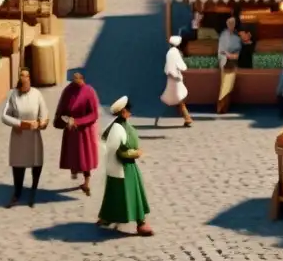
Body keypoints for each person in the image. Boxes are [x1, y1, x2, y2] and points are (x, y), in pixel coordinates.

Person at [98, 97, 152, 236]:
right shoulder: (118, 128)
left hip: (117, 166)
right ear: (123, 112)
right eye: (128, 111)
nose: (130, 113)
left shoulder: (116, 126)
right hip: (124, 166)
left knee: (114, 192)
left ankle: (107, 217)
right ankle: (141, 222)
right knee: (131, 192)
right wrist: (135, 153)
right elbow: (120, 151)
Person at [1, 68, 49, 207]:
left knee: (36, 163)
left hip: (33, 136)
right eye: (22, 76)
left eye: (27, 76)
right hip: (19, 135)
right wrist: (20, 124)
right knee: (18, 165)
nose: (24, 78)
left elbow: (44, 114)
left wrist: (42, 123)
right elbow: (4, 116)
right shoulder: (13, 95)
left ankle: (34, 189)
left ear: (30, 79)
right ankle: (17, 192)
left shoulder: (37, 94)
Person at [54, 71, 100, 195]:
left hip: (85, 131)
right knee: (73, 154)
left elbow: (94, 114)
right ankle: (74, 170)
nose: (76, 79)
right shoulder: (68, 91)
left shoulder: (89, 92)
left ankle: (86, 182)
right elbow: (61, 110)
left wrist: (78, 121)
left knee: (85, 158)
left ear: (83, 78)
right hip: (71, 130)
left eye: (78, 77)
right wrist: (66, 120)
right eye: (74, 78)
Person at [160, 36, 192, 127]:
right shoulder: (176, 53)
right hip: (176, 78)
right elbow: (182, 66)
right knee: (179, 98)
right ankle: (187, 118)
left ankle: (187, 118)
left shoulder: (169, 53)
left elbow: (168, 67)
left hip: (172, 78)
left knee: (178, 98)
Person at [216, 16, 243, 114]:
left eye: (233, 23)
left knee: (229, 85)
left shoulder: (236, 37)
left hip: (233, 63)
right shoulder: (223, 36)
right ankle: (221, 107)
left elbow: (238, 51)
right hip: (224, 63)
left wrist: (232, 55)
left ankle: (225, 106)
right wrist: (227, 55)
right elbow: (221, 51)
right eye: (230, 23)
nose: (231, 25)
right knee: (224, 85)